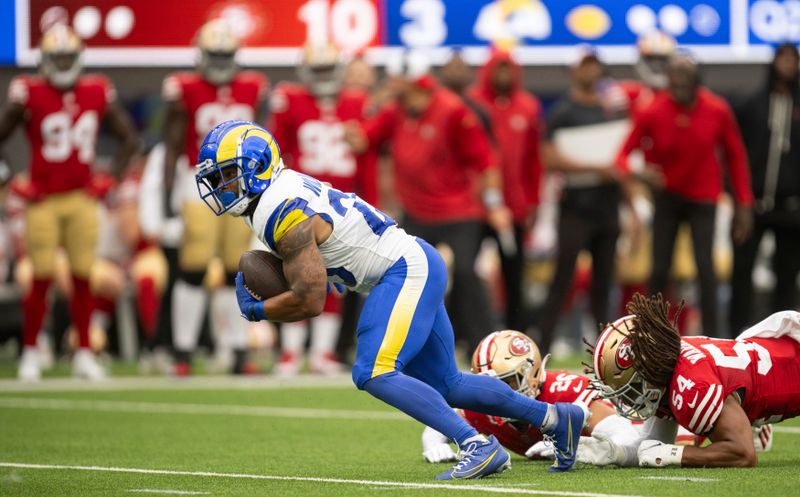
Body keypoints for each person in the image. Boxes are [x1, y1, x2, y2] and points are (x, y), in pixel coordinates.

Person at [194, 120, 586, 478]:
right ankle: (555, 419)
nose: (222, 187)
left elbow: (310, 301)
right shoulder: (275, 197)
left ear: (258, 166)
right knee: (446, 382)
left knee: (372, 371)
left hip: (402, 269)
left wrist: (259, 310)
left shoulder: (280, 210)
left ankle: (476, 445)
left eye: (228, 175)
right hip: (413, 262)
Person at [344, 51, 513, 352]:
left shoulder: (452, 110)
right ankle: (403, 345)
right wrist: (364, 109)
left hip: (458, 211)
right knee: (404, 274)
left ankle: (486, 346)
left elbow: (486, 162)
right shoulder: (394, 110)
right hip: (416, 212)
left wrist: (495, 203)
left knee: (464, 274)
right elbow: (360, 140)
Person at [0, 23, 138, 381]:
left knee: (82, 277)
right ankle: (31, 351)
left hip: (81, 197)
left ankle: (83, 354)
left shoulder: (96, 90)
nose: (62, 64)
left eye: (67, 58)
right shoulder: (29, 91)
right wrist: (13, 179)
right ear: (45, 60)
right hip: (44, 199)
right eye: (56, 58)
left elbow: (128, 139)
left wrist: (110, 177)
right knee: (42, 275)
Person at [617, 53, 754, 337]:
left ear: (696, 77)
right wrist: (641, 173)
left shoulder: (716, 109)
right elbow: (622, 156)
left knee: (706, 268)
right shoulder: (653, 110)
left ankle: (715, 337)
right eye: (674, 73)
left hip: (704, 197)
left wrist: (744, 203)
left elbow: (736, 156)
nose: (678, 79)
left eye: (684, 72)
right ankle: (650, 336)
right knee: (659, 268)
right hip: (667, 196)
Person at [161, 19, 268, 375]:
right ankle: (182, 351)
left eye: (226, 55)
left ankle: (237, 350)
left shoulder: (253, 87)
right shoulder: (185, 88)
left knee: (237, 269)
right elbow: (172, 146)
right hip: (200, 184)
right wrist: (165, 199)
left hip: (241, 185)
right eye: (215, 55)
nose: (221, 62)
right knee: (193, 267)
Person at [591, 293, 800, 468]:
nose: (626, 398)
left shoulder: (691, 386)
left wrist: (674, 455)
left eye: (628, 388)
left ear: (648, 371)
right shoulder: (668, 366)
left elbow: (744, 453)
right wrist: (616, 453)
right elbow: (651, 446)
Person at [268, 42, 377, 375]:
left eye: (328, 69)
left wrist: (371, 202)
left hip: (342, 202)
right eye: (318, 70)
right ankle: (290, 352)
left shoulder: (358, 103)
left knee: (336, 277)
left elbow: (366, 157)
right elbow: (275, 150)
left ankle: (321, 352)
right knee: (296, 275)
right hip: (301, 200)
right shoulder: (290, 99)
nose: (324, 77)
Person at [420, 330, 640, 466]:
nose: (495, 392)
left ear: (533, 375)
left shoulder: (563, 391)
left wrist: (581, 447)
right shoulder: (483, 405)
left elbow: (628, 434)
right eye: (488, 383)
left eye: (508, 381)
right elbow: (437, 425)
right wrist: (434, 445)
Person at [536, 49, 630, 354]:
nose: (590, 72)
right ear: (574, 72)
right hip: (575, 209)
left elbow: (624, 159)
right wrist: (595, 168)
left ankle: (609, 355)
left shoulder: (610, 110)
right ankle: (543, 346)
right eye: (583, 67)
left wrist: (632, 207)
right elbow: (550, 157)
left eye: (594, 66)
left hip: (608, 207)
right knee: (562, 280)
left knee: (604, 286)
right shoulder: (563, 111)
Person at [469, 50, 544, 331]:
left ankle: (516, 336)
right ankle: (467, 334)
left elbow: (535, 160)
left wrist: (533, 201)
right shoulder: (473, 103)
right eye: (498, 69)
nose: (503, 75)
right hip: (475, 207)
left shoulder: (527, 107)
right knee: (465, 273)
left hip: (513, 207)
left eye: (508, 69)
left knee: (514, 276)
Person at [731, 43, 800, 336]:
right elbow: (734, 154)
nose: (786, 64)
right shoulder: (752, 105)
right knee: (742, 271)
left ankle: (781, 338)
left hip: (792, 207)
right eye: (781, 58)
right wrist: (738, 200)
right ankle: (736, 332)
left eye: (792, 59)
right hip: (753, 205)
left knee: (786, 275)